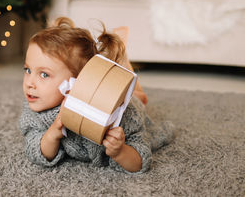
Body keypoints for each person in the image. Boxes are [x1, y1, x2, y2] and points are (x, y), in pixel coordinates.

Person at [19, 17, 174, 173]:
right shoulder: (37, 110)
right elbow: (33, 149)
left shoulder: (124, 115)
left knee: (139, 97)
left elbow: (140, 160)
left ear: (80, 81)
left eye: (44, 75)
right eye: (28, 70)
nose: (29, 83)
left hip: (122, 99)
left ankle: (122, 61)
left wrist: (120, 151)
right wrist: (52, 135)